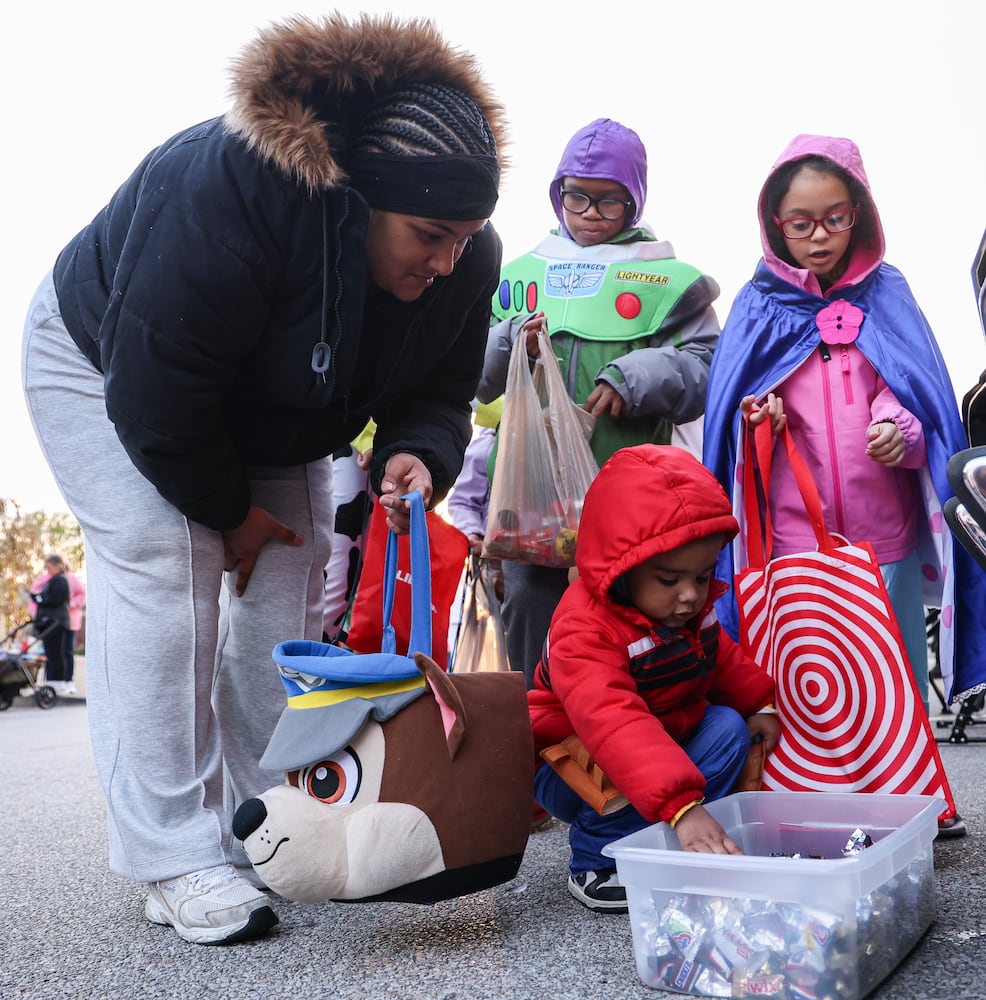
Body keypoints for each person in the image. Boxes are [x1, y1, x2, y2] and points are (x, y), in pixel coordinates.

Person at [21, 12, 506, 945]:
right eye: (429, 234)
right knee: (171, 562)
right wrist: (229, 514)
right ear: (359, 200)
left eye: (466, 237)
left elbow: (441, 391)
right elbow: (157, 393)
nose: (447, 261)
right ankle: (170, 855)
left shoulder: (464, 257)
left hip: (273, 405)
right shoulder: (229, 185)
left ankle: (268, 814)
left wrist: (421, 453)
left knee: (289, 583)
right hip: (105, 364)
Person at [702, 133, 986, 840]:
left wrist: (903, 432)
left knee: (893, 667)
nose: (819, 235)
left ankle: (918, 797)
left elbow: (910, 395)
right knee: (807, 669)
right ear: (775, 223)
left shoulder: (888, 295)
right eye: (801, 222)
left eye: (835, 217)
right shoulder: (757, 306)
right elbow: (736, 415)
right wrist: (757, 416)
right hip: (792, 534)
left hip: (881, 528)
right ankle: (816, 798)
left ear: (859, 212)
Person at [477, 118, 720, 689]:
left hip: (627, 497)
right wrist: (510, 339)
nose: (589, 212)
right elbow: (473, 378)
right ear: (557, 193)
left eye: (609, 202)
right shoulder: (516, 278)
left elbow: (708, 365)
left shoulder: (665, 279)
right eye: (576, 196)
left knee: (626, 625)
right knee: (530, 626)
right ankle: (536, 749)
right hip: (530, 502)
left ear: (634, 204)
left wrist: (634, 375)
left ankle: (620, 740)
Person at [529, 445, 780, 912]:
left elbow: (719, 657)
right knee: (618, 761)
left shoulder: (684, 613)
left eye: (703, 578)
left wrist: (757, 704)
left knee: (727, 727)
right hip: (570, 755)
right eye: (670, 580)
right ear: (622, 568)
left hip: (655, 739)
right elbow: (613, 723)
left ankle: (668, 838)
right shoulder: (585, 627)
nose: (690, 596)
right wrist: (683, 806)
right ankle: (596, 863)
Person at [29, 554, 85, 695]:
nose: (47, 570)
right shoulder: (48, 578)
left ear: (58, 565)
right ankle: (52, 681)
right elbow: (37, 592)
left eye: (49, 567)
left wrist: (74, 604)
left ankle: (67, 681)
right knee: (53, 652)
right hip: (52, 621)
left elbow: (79, 595)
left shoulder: (67, 579)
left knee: (66, 652)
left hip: (67, 620)